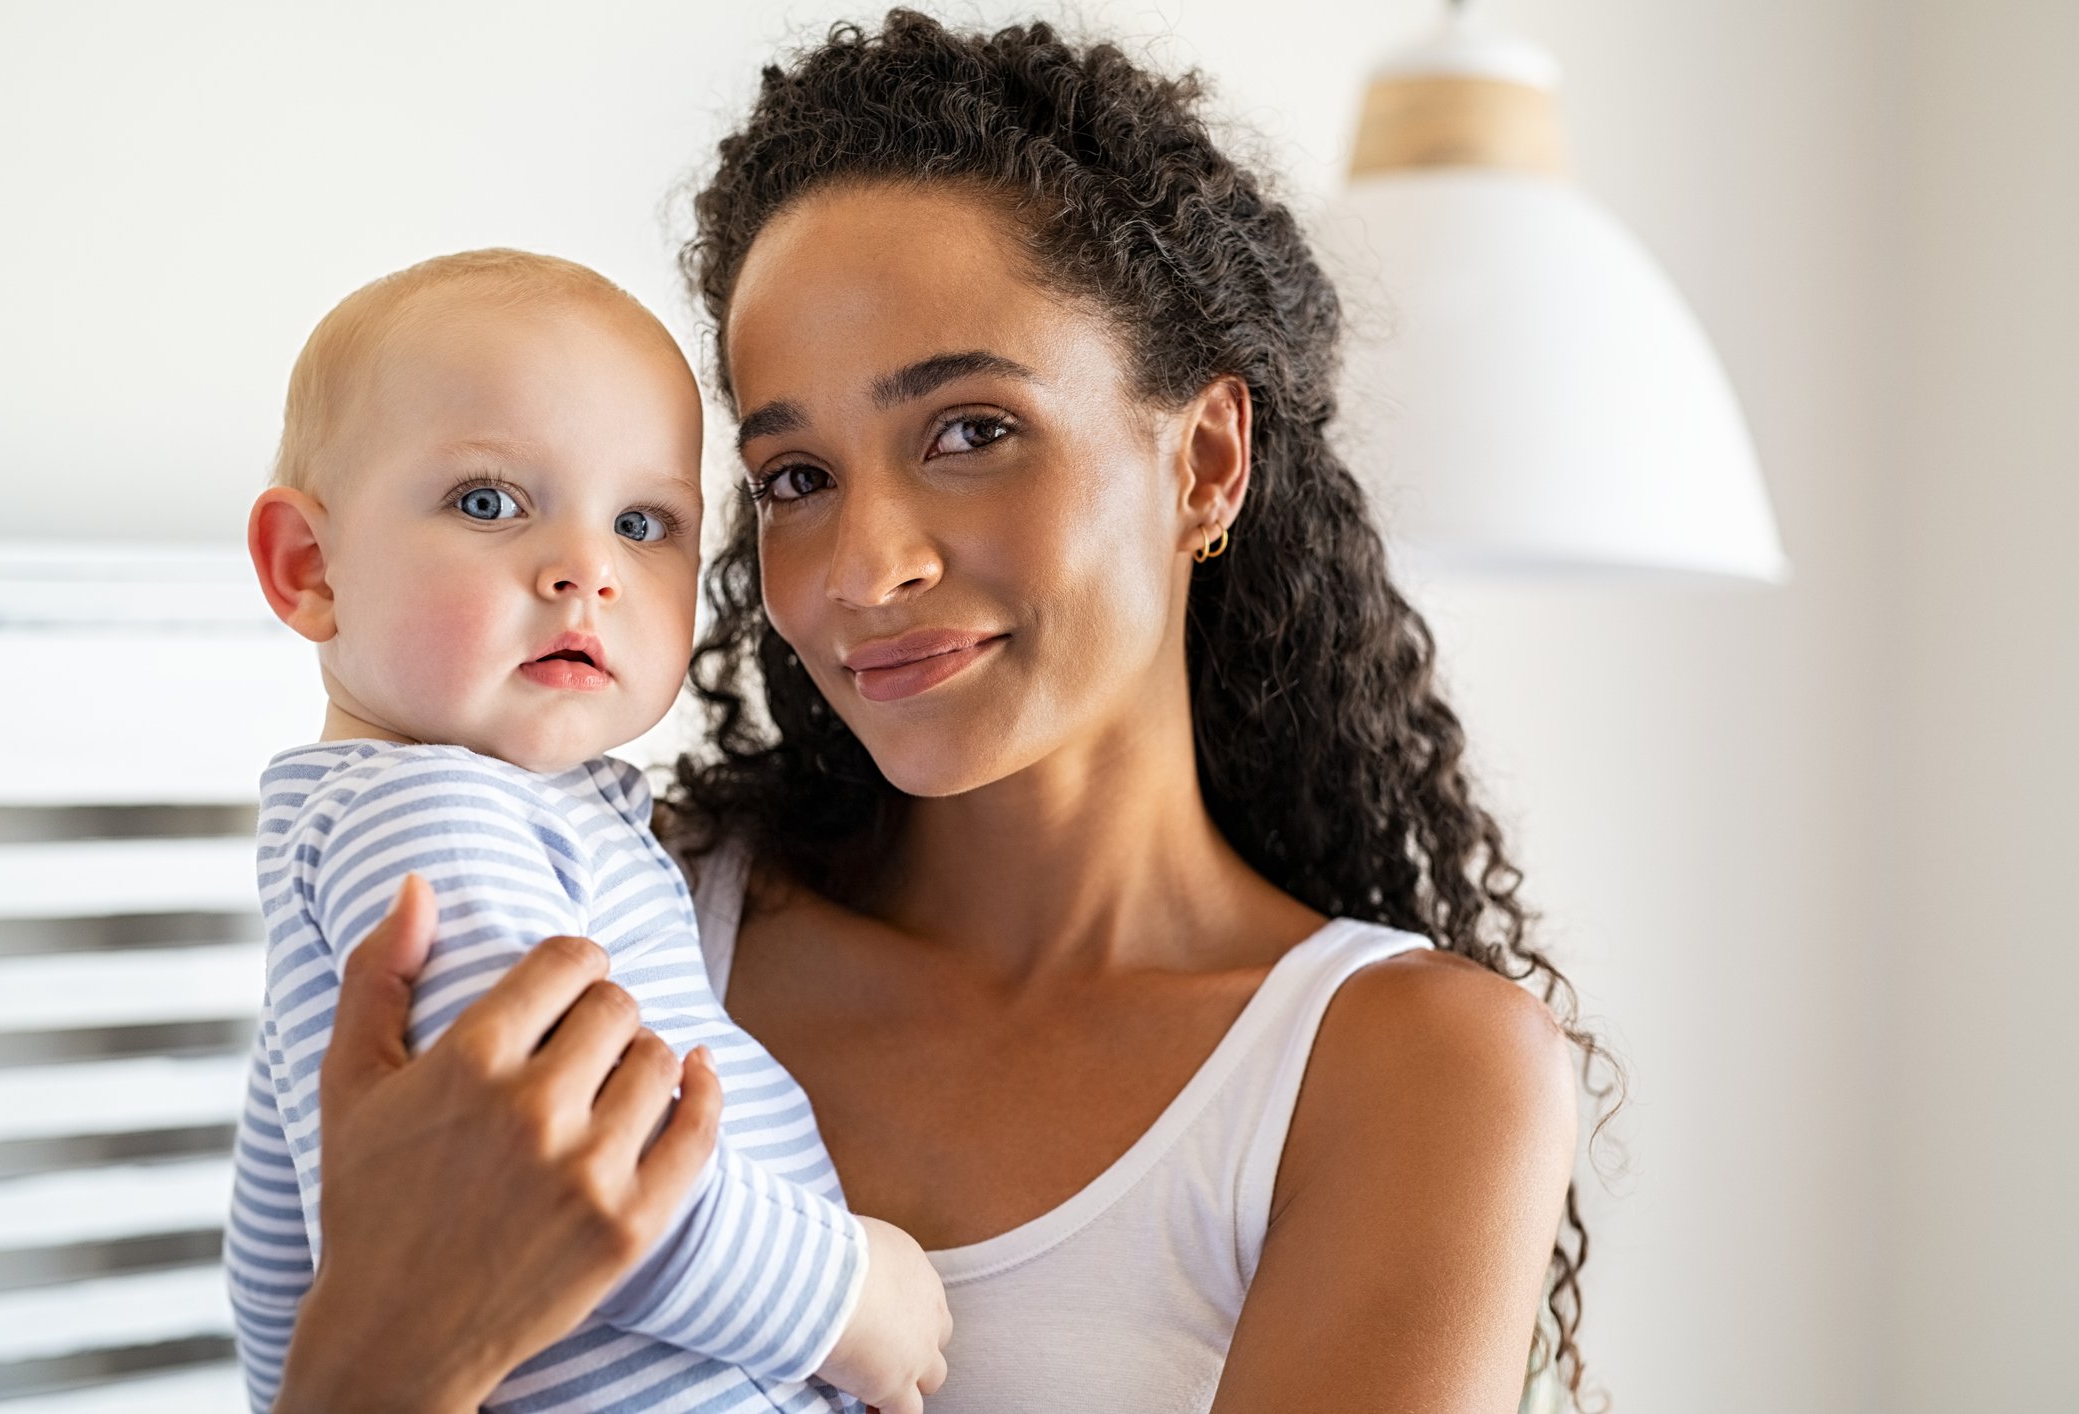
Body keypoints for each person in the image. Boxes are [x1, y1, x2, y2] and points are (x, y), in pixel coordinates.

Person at [272, 12, 1600, 1412]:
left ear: (1205, 460)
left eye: (970, 430)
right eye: (795, 476)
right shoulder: (600, 909)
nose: (864, 568)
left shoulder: (1400, 1071)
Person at [229, 248, 950, 1414]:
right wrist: (839, 1294)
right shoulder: (433, 812)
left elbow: (281, 1258)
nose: (586, 571)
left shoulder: (407, 824)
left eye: (643, 520)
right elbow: (564, 1162)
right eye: (488, 502)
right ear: (311, 568)